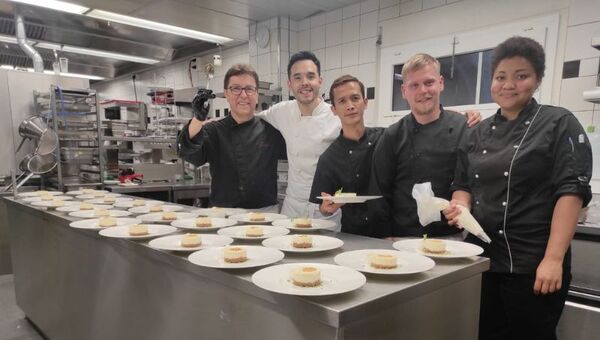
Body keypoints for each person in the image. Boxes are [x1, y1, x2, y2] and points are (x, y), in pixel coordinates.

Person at [444, 36, 592, 339]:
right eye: (500, 77)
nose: (508, 85)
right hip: (483, 262)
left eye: (520, 76)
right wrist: (460, 207)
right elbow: (463, 185)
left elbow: (571, 192)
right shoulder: (478, 133)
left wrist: (553, 260)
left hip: (533, 266)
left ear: (537, 80)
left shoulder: (558, 122)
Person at [371, 53, 477, 239]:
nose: (422, 91)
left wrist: (462, 205)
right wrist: (384, 236)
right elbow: (380, 192)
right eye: (414, 85)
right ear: (404, 91)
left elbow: (468, 181)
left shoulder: (463, 127)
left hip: (451, 237)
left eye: (429, 83)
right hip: (402, 238)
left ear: (441, 83)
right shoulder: (393, 135)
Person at [177, 64, 286, 211]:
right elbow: (187, 152)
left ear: (257, 94)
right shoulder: (214, 130)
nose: (243, 95)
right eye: (235, 88)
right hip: (224, 214)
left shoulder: (272, 131)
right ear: (226, 94)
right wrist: (198, 118)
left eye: (249, 89)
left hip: (265, 213)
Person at [258, 51, 341, 223]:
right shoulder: (282, 111)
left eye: (310, 76)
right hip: (292, 206)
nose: (305, 83)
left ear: (320, 80)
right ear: (289, 84)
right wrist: (211, 122)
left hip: (325, 208)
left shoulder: (336, 116)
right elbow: (252, 117)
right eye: (297, 78)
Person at [308, 75, 385, 237]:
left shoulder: (386, 140)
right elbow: (323, 208)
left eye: (355, 98)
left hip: (391, 233)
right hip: (355, 236)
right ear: (334, 110)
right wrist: (327, 207)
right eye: (342, 101)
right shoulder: (328, 158)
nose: (350, 106)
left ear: (365, 103)